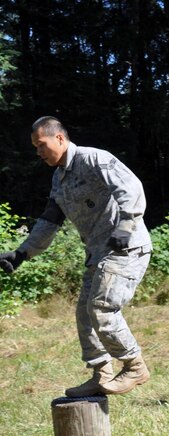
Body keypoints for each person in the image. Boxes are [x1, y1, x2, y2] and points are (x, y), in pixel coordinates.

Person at [0, 117, 153, 397]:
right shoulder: (59, 180)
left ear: (59, 138)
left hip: (125, 247)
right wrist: (22, 253)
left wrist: (126, 226)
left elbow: (132, 188)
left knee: (102, 308)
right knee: (84, 313)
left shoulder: (94, 159)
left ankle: (134, 365)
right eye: (35, 147)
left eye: (41, 144)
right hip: (98, 253)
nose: (38, 152)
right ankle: (102, 372)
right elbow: (49, 222)